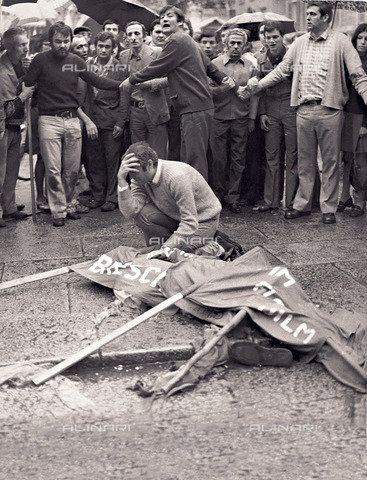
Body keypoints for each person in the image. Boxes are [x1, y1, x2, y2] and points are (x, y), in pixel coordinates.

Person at [248, 1, 367, 225]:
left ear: (326, 18)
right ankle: (302, 205)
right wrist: (258, 86)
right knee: (304, 160)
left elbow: (358, 75)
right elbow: (282, 70)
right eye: (307, 14)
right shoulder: (300, 43)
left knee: (330, 162)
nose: (308, 18)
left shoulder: (341, 42)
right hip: (302, 110)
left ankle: (328, 208)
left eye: (313, 14)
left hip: (330, 110)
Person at [24, 21, 123, 227]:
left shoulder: (76, 61)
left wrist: (124, 83)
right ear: (50, 42)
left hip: (72, 120)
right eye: (58, 41)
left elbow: (97, 81)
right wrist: (26, 78)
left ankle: (69, 204)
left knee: (71, 170)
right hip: (48, 120)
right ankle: (58, 211)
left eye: (66, 41)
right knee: (52, 169)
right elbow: (27, 83)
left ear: (70, 41)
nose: (62, 45)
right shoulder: (40, 60)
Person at [120, 5, 235, 181]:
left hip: (194, 108)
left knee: (194, 160)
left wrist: (131, 80)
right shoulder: (189, 41)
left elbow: (156, 68)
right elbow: (211, 68)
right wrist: (225, 81)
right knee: (191, 158)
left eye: (170, 16)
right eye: (162, 17)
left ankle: (198, 204)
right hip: (196, 108)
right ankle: (195, 201)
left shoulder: (176, 41)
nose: (164, 19)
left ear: (181, 22)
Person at [117, 141, 221, 253]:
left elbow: (190, 222)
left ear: (150, 164)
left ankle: (217, 245)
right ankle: (161, 249)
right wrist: (121, 180)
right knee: (143, 214)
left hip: (203, 221)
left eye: (134, 172)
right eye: (129, 173)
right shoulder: (140, 178)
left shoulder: (177, 177)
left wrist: (166, 248)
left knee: (175, 253)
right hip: (176, 217)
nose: (131, 177)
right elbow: (130, 212)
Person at [210, 28, 258, 214]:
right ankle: (218, 197)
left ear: (245, 45)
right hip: (219, 118)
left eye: (239, 43)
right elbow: (208, 93)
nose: (236, 46)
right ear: (226, 44)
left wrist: (251, 117)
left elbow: (255, 93)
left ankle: (233, 197)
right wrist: (225, 88)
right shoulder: (215, 65)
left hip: (241, 118)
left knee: (239, 159)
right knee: (219, 160)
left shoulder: (250, 66)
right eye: (232, 43)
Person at [256, 21, 298, 212]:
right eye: (268, 37)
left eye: (275, 37)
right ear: (263, 38)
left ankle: (291, 202)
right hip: (271, 107)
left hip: (290, 106)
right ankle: (271, 201)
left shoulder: (293, 55)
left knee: (292, 155)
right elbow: (260, 90)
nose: (272, 41)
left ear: (282, 37)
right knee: (271, 155)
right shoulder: (260, 58)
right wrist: (263, 112)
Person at [81, 31, 125, 212]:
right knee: (94, 159)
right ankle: (98, 194)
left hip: (111, 119)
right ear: (95, 46)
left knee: (112, 159)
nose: (103, 50)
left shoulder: (120, 68)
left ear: (113, 49)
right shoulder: (87, 66)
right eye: (100, 46)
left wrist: (121, 122)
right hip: (92, 119)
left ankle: (112, 197)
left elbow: (125, 96)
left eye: (108, 46)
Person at [119, 21, 169, 159]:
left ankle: (159, 180)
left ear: (144, 36)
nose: (133, 37)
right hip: (135, 112)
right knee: (139, 154)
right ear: (126, 38)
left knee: (158, 155)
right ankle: (142, 181)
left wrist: (149, 84)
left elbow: (170, 80)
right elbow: (123, 88)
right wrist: (123, 117)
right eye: (130, 34)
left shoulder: (158, 53)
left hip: (155, 110)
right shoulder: (123, 56)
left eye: (137, 33)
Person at [0, 27, 35, 227]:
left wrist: (27, 71)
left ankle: (9, 206)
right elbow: (8, 106)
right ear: (11, 47)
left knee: (12, 169)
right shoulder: (2, 71)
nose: (26, 48)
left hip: (14, 126)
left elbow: (27, 83)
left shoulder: (18, 63)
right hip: (3, 126)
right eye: (22, 44)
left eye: (26, 43)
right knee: (1, 170)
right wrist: (24, 95)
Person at [341, 24, 367, 217]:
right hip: (344, 114)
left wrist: (365, 123)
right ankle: (344, 196)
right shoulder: (348, 59)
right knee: (346, 158)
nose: (363, 42)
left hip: (361, 116)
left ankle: (360, 200)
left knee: (361, 159)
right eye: (360, 38)